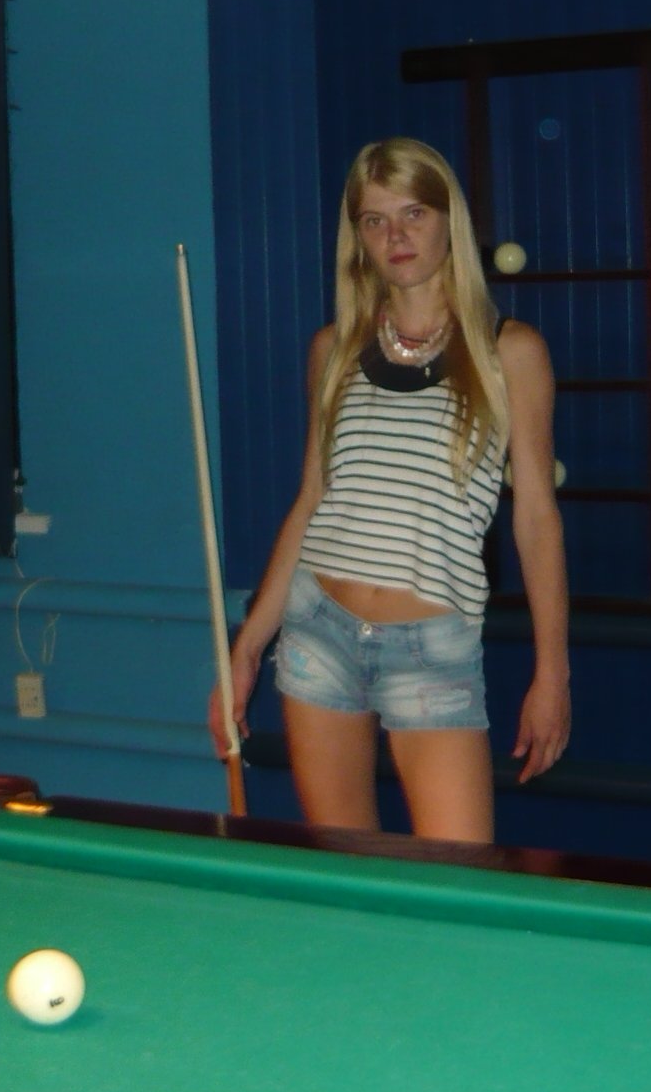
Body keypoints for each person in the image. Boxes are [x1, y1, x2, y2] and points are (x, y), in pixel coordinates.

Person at [208, 137, 570, 842]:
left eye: (413, 213)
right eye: (374, 220)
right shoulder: (334, 350)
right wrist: (247, 648)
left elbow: (536, 519)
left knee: (456, 879)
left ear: (447, 220)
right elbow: (311, 502)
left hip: (431, 647)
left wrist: (552, 673)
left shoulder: (509, 352)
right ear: (358, 239)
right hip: (319, 633)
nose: (396, 236)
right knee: (348, 869)